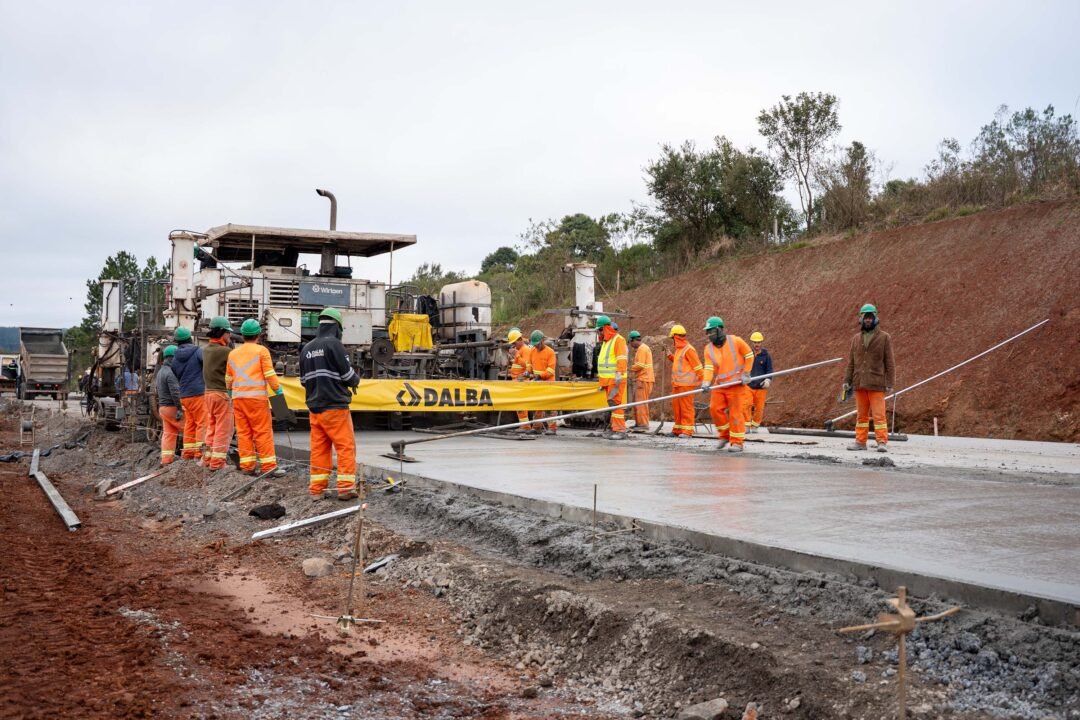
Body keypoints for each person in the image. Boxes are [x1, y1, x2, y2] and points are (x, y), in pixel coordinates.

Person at [300, 308, 360, 499]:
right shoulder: (335, 345)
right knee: (345, 446)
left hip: (315, 409)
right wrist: (355, 381)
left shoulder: (307, 348)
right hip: (335, 406)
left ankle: (317, 490)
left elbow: (303, 381)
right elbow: (348, 375)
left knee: (320, 448)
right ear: (337, 327)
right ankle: (345, 488)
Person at [227, 319, 285, 476]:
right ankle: (268, 467)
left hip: (238, 399)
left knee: (244, 432)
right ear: (259, 334)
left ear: (243, 335)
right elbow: (270, 375)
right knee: (262, 432)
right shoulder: (261, 351)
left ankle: (247, 466)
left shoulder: (232, 354)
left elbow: (228, 379)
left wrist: (230, 393)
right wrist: (278, 391)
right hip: (256, 400)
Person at [844, 303, 894, 453]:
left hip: (876, 383)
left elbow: (890, 363)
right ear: (861, 319)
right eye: (865, 317)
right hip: (859, 383)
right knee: (862, 416)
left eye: (870, 317)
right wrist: (847, 381)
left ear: (875, 318)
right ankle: (860, 442)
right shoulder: (855, 339)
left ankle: (882, 442)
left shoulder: (884, 338)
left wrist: (890, 382)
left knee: (879, 416)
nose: (867, 319)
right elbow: (851, 363)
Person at [701, 316, 755, 452]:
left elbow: (749, 355)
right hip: (720, 385)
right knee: (714, 409)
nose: (709, 335)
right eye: (707, 332)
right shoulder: (708, 349)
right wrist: (706, 381)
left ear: (719, 330)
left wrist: (746, 373)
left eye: (711, 331)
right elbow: (708, 367)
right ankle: (724, 436)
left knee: (735, 414)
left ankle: (737, 442)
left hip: (737, 385)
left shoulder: (736, 341)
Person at [201, 316, 235, 471]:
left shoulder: (206, 349)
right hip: (222, 395)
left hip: (208, 394)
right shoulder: (225, 351)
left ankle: (207, 459)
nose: (230, 336)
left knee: (212, 428)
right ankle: (218, 464)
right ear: (222, 333)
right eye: (228, 333)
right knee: (223, 430)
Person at [170, 326, 207, 459]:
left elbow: (175, 373)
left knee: (190, 424)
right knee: (202, 423)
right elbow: (206, 365)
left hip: (184, 396)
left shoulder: (174, 359)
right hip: (198, 393)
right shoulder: (198, 351)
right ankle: (200, 453)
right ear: (190, 338)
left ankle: (188, 453)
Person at [665, 325, 702, 438]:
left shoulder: (689, 349)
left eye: (672, 338)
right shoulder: (679, 350)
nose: (672, 340)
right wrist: (669, 355)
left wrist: (704, 381)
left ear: (676, 337)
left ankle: (687, 431)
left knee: (686, 408)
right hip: (677, 384)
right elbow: (678, 362)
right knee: (677, 408)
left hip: (686, 385)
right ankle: (678, 429)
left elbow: (698, 366)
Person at [595, 315, 628, 440]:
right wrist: (602, 382)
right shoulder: (606, 342)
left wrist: (619, 374)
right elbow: (604, 363)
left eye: (600, 330)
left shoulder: (618, 340)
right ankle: (614, 428)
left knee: (616, 404)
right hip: (608, 380)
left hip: (616, 379)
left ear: (606, 328)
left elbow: (621, 358)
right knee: (611, 405)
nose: (599, 332)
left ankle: (620, 430)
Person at [155, 345, 183, 465]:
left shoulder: (161, 372)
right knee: (189, 429)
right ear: (173, 358)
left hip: (163, 408)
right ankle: (189, 458)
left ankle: (166, 460)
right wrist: (180, 408)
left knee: (169, 434)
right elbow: (175, 392)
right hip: (172, 407)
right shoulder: (171, 372)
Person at [527, 330, 557, 434]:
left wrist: (540, 376)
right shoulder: (532, 351)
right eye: (535, 345)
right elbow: (529, 363)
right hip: (538, 382)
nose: (536, 347)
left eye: (538, 344)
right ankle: (536, 427)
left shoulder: (550, 352)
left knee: (550, 406)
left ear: (542, 341)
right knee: (538, 405)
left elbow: (550, 370)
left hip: (548, 383)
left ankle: (552, 428)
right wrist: (528, 372)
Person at [745, 331, 773, 433]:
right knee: (746, 405)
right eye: (755, 342)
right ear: (752, 343)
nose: (757, 344)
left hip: (761, 387)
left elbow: (769, 370)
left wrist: (768, 380)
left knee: (759, 408)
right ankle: (746, 426)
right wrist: (743, 377)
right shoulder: (748, 354)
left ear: (761, 343)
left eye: (759, 342)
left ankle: (755, 426)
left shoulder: (766, 356)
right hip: (748, 385)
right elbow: (743, 367)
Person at [628, 330, 654, 433]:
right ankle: (639, 423)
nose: (631, 345)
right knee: (638, 403)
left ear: (634, 340)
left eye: (630, 342)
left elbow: (640, 365)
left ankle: (643, 424)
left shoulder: (642, 349)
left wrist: (628, 368)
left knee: (641, 403)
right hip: (643, 379)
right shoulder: (643, 348)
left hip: (644, 380)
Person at [507, 328, 533, 429]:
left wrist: (516, 355)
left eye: (514, 343)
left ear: (519, 340)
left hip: (522, 382)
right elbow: (518, 365)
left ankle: (525, 427)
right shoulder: (520, 350)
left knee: (521, 405)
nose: (514, 345)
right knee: (519, 405)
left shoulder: (525, 350)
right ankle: (524, 426)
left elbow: (527, 365)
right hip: (517, 382)